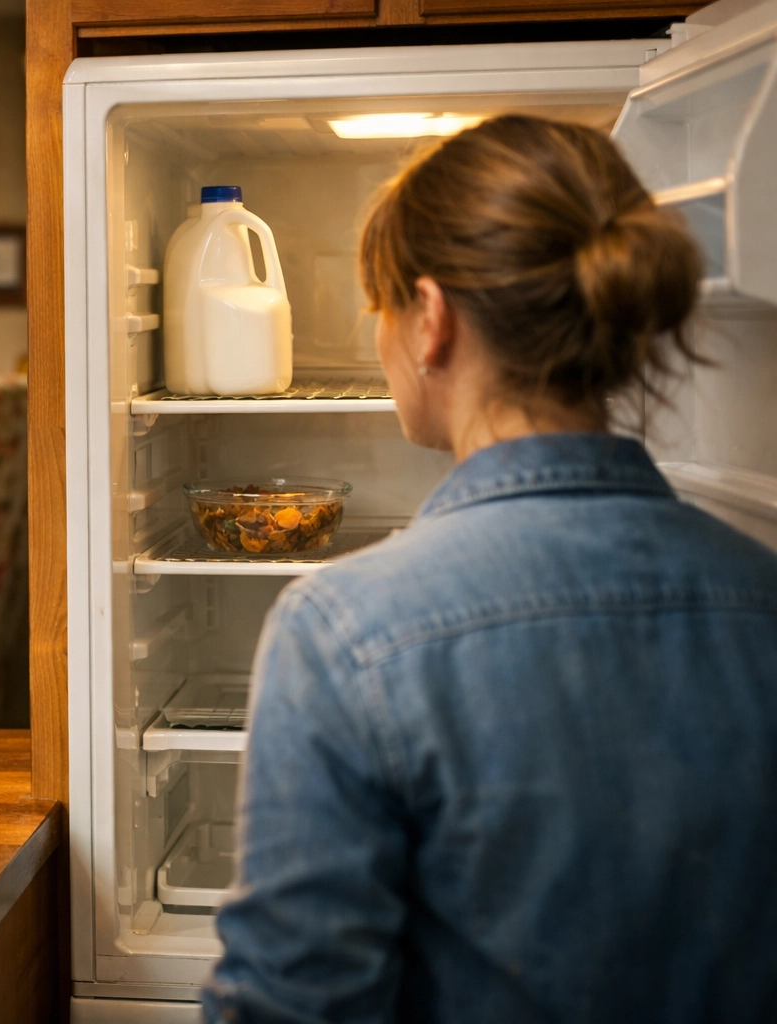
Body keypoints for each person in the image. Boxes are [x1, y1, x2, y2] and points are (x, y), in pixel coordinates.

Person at [205, 116, 777, 1023]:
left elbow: (293, 1007)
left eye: (379, 307)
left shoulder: (344, 631)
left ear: (429, 321)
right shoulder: (763, 593)